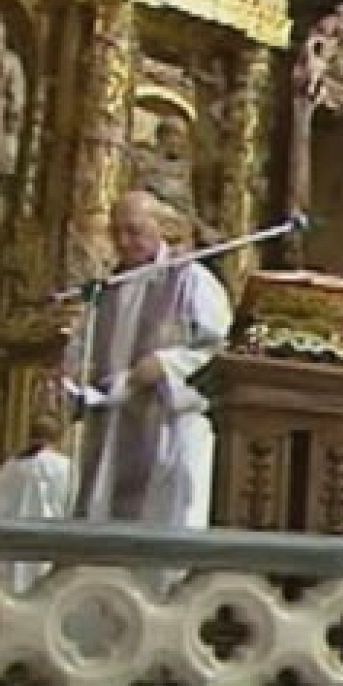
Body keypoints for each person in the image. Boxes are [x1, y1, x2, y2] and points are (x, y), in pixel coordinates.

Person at [68, 190, 232, 530]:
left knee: (163, 520)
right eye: (116, 233)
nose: (123, 242)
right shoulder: (106, 291)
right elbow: (82, 352)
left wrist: (165, 365)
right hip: (112, 432)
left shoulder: (191, 280)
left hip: (169, 429)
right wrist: (76, 381)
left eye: (134, 231)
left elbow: (219, 353)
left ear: (162, 228)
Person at [0, 414, 74, 592]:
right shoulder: (64, 466)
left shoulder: (6, 468)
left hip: (7, 547)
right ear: (58, 438)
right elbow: (70, 507)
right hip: (45, 546)